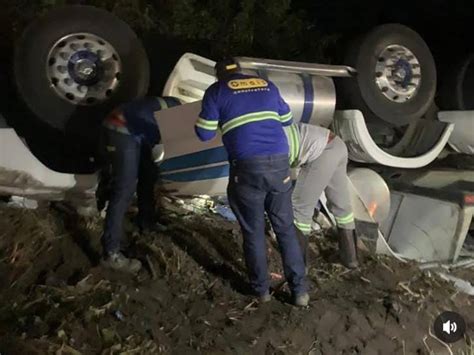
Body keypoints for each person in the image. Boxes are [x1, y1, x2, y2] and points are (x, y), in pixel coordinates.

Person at [195, 58, 309, 306]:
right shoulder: (266, 85)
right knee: (285, 228)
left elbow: (204, 134)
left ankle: (261, 291)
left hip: (247, 168)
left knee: (253, 231)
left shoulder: (216, 91)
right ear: (240, 71)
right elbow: (287, 119)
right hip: (280, 163)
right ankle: (300, 291)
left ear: (218, 76)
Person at [99, 96, 179, 273]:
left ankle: (145, 220)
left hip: (136, 131)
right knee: (125, 188)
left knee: (149, 173)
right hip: (121, 128)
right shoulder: (179, 118)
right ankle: (110, 253)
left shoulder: (177, 106)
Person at [285, 122, 359, 269]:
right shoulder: (276, 129)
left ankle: (299, 267)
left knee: (299, 210)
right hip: (337, 145)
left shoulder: (267, 144)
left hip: (321, 152)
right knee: (341, 206)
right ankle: (350, 258)